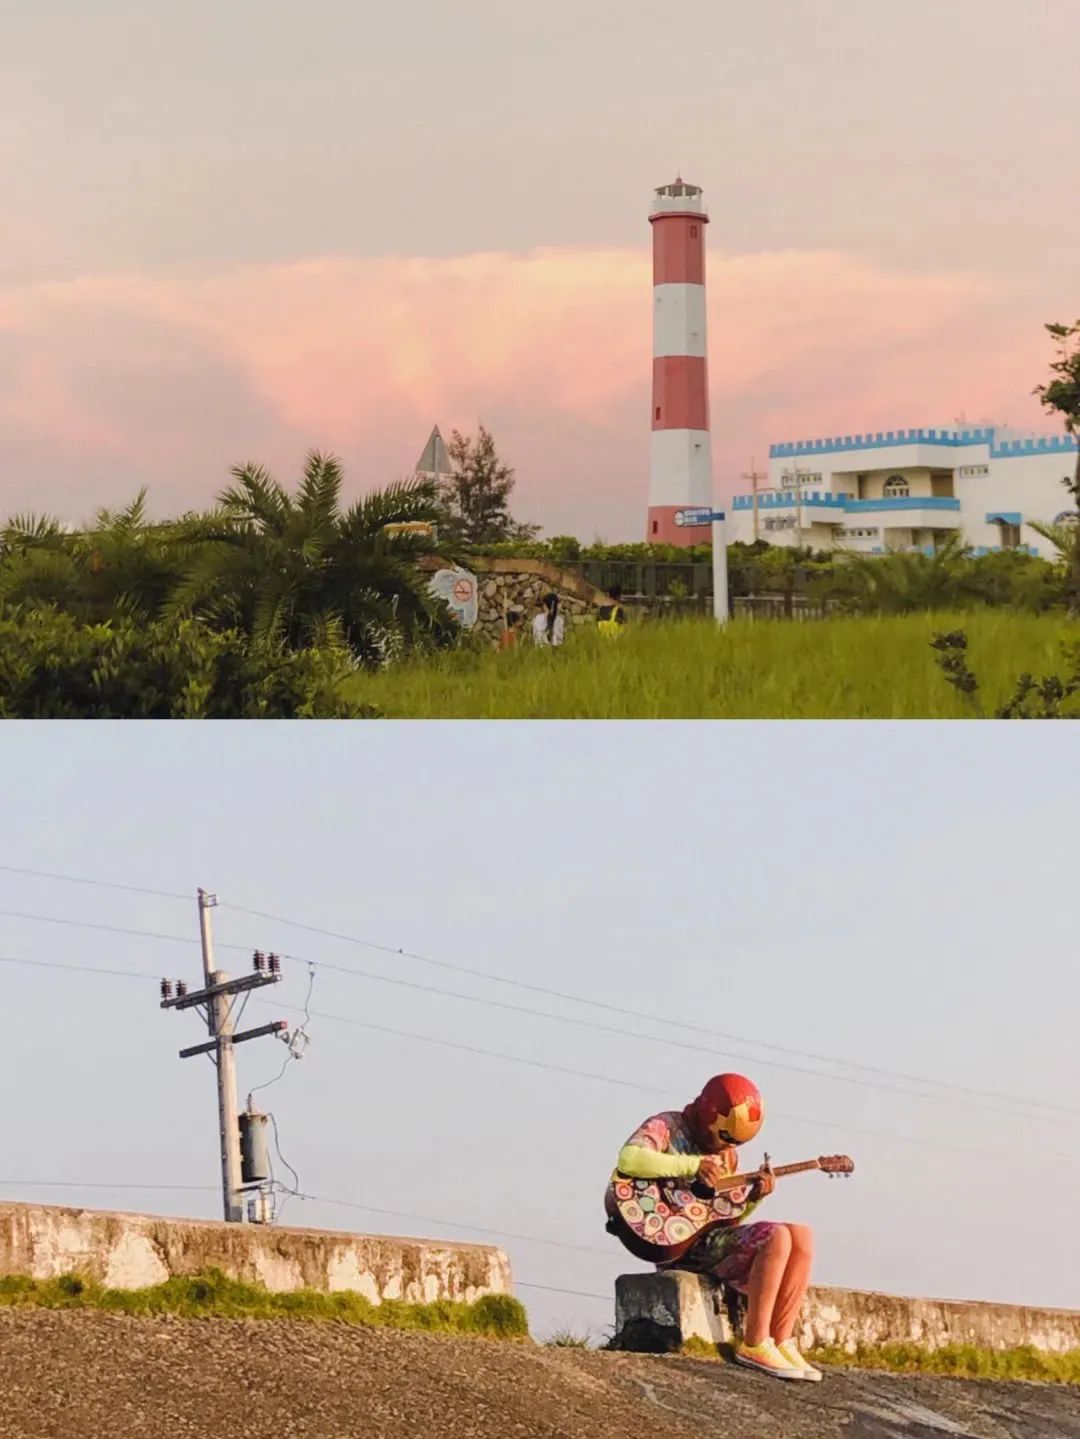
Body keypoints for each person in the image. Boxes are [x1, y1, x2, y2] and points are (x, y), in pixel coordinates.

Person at [610, 1072, 820, 1382]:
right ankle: (755, 1342)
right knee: (775, 1236)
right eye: (725, 1137)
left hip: (708, 1239)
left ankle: (781, 1340)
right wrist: (691, 1165)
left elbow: (723, 1217)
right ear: (710, 1116)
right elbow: (629, 1159)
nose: (728, 1145)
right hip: (673, 1239)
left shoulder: (727, 1156)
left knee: (800, 1235)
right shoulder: (666, 1126)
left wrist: (754, 1198)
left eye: (736, 1142)